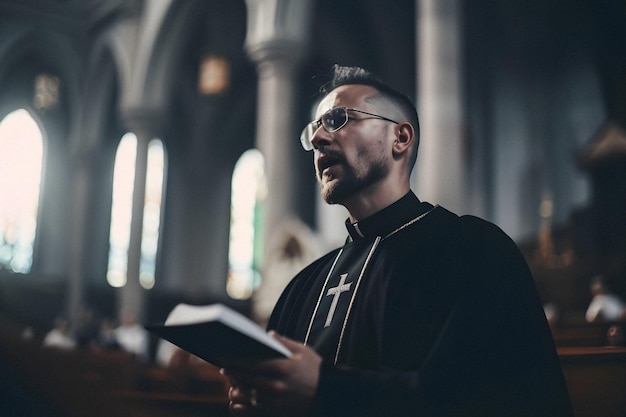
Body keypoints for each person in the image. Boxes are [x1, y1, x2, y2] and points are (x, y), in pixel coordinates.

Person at [222, 65, 574, 416]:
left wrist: (324, 389)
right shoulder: (301, 287)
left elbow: (496, 398)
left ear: (400, 138)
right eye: (314, 129)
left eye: (338, 119)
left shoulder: (474, 251)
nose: (317, 139)